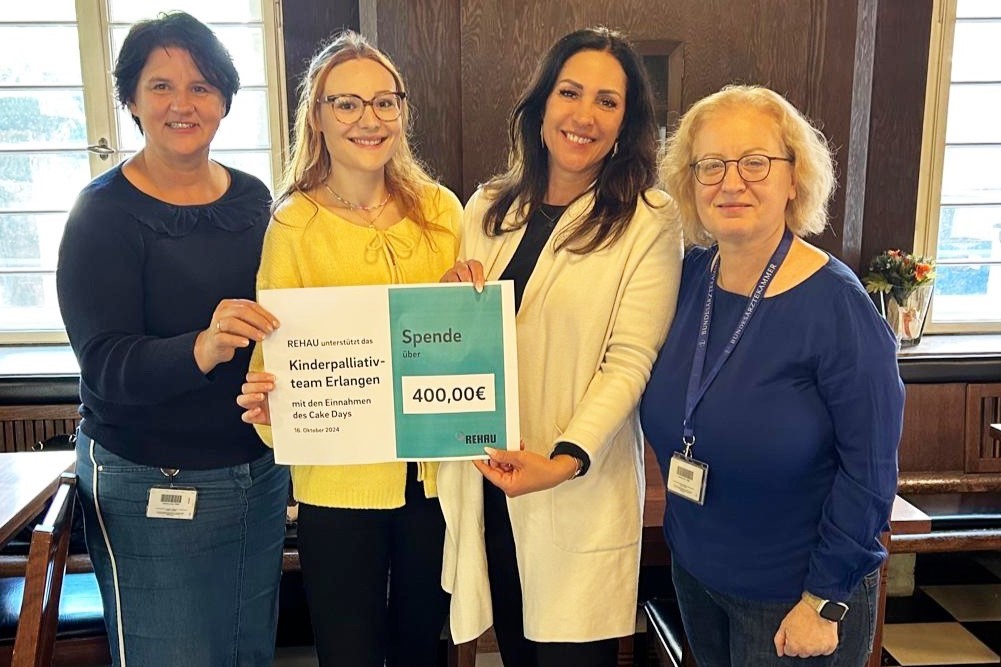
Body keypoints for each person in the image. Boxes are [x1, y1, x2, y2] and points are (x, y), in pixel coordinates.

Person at [437, 27, 683, 667]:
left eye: (608, 101)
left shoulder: (648, 218)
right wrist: (448, 305)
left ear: (626, 122)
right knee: (515, 651)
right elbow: (464, 346)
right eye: (570, 92)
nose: (584, 115)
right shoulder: (488, 207)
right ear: (542, 102)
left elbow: (629, 361)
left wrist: (565, 459)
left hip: (576, 484)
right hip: (491, 481)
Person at [640, 84, 904, 667]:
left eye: (755, 162)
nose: (731, 182)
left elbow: (870, 473)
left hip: (795, 598)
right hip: (697, 573)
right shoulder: (687, 279)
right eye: (711, 165)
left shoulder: (838, 307)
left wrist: (824, 601)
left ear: (794, 178)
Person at [55, 12, 288, 667]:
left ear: (224, 101)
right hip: (149, 477)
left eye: (201, 86)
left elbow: (288, 315)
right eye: (161, 86)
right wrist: (202, 347)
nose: (182, 104)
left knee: (247, 651)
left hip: (257, 471)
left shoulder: (253, 199)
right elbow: (104, 363)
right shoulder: (101, 213)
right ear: (130, 100)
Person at [235, 31, 462, 667]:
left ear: (402, 112)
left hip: (435, 481)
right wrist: (270, 408)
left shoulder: (442, 212)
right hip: (336, 484)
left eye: (385, 101)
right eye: (347, 103)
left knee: (423, 646)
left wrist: (467, 305)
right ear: (317, 115)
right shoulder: (293, 224)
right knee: (348, 651)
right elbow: (272, 362)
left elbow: (471, 341)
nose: (370, 119)